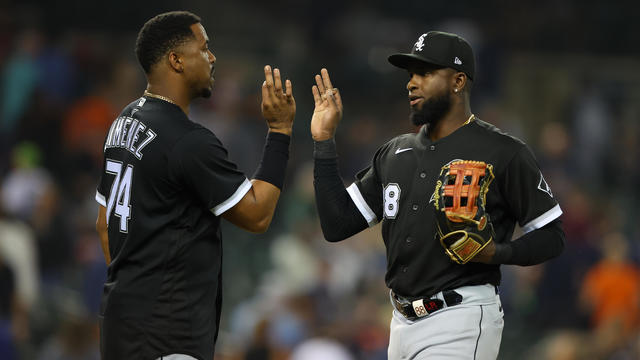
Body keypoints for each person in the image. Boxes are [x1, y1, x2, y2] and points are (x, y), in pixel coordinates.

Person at [310, 31, 565, 359]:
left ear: (458, 81)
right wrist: (324, 141)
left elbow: (552, 236)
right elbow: (337, 224)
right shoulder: (395, 152)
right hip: (400, 322)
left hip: (461, 317)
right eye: (411, 74)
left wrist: (497, 253)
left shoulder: (504, 151)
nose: (411, 83)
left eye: (426, 73)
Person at [94, 11, 295, 360]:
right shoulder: (188, 141)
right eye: (204, 48)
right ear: (176, 60)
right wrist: (279, 132)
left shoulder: (122, 121)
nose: (212, 57)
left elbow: (104, 225)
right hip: (166, 335)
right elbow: (257, 214)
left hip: (120, 324)